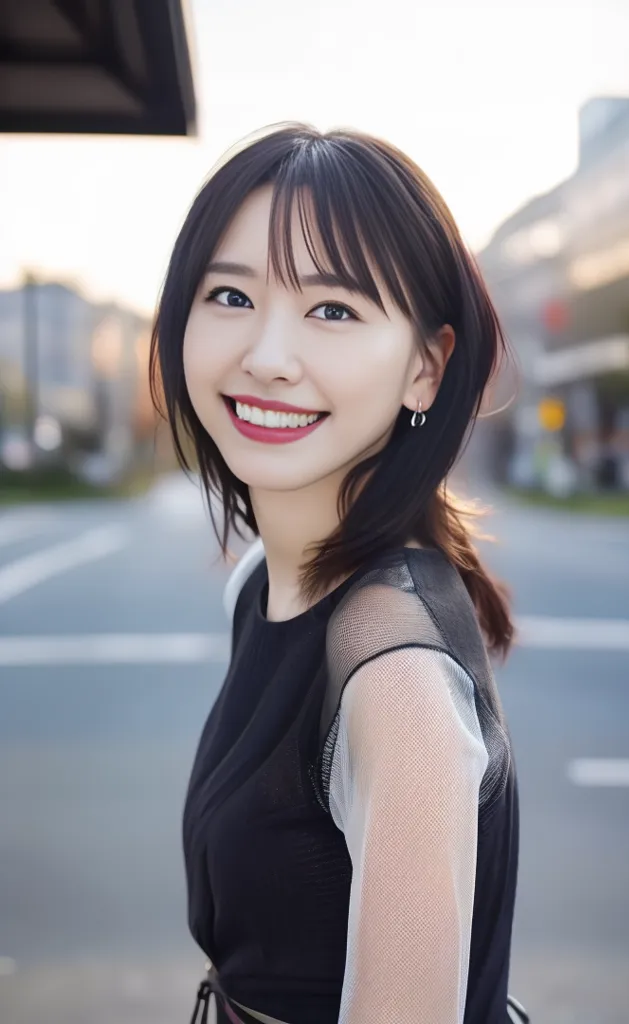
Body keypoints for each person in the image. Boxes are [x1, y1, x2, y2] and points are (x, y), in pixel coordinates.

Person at [150, 123, 527, 1024]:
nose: (268, 356)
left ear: (426, 369)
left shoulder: (394, 679)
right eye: (231, 295)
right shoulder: (262, 579)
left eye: (332, 311)